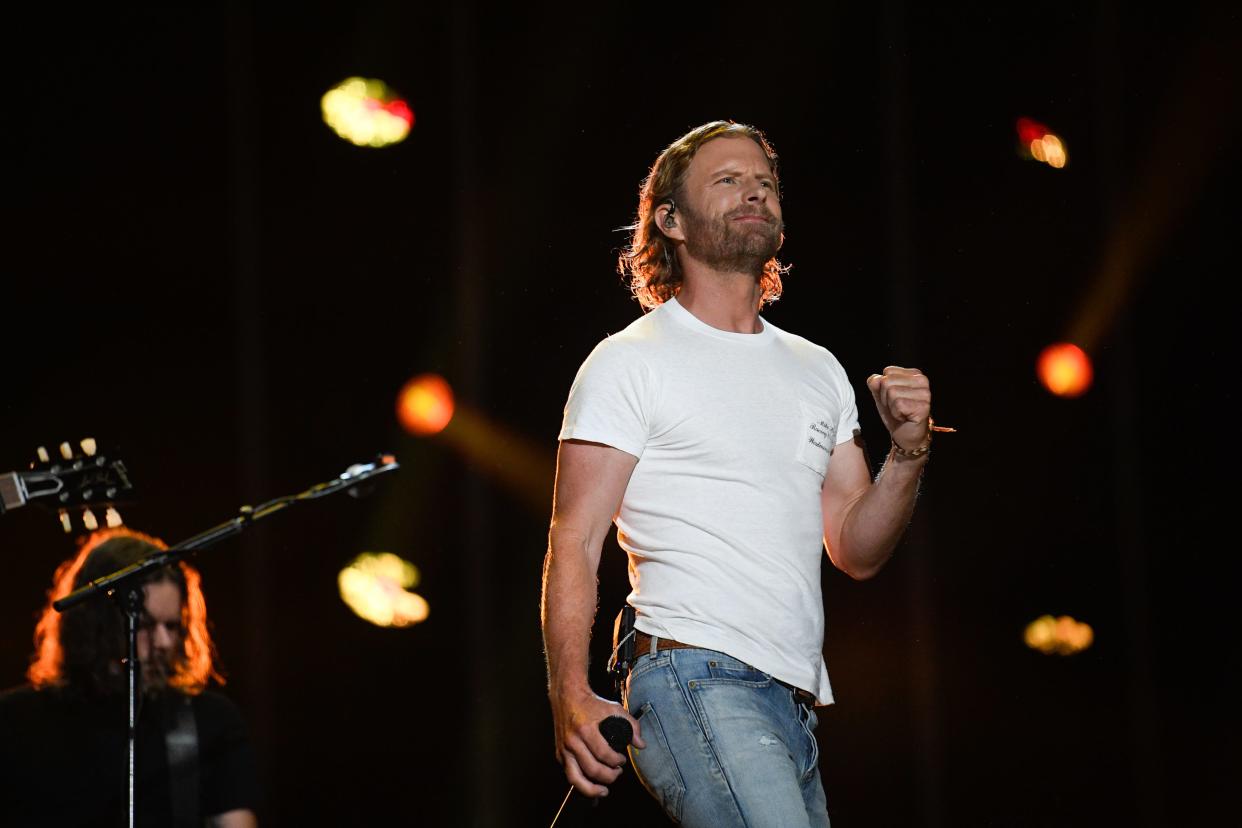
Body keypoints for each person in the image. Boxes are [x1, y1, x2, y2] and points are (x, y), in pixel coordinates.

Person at [540, 120, 937, 827]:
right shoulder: (632, 361)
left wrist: (907, 452)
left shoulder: (816, 369)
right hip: (691, 675)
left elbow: (856, 549)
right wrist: (570, 692)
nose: (754, 191)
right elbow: (573, 540)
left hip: (792, 698)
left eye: (765, 182)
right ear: (671, 221)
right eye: (726, 180)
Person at [0, 527, 260, 827]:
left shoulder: (208, 721)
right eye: (146, 625)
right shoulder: (14, 721)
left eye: (172, 626)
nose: (163, 642)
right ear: (96, 625)